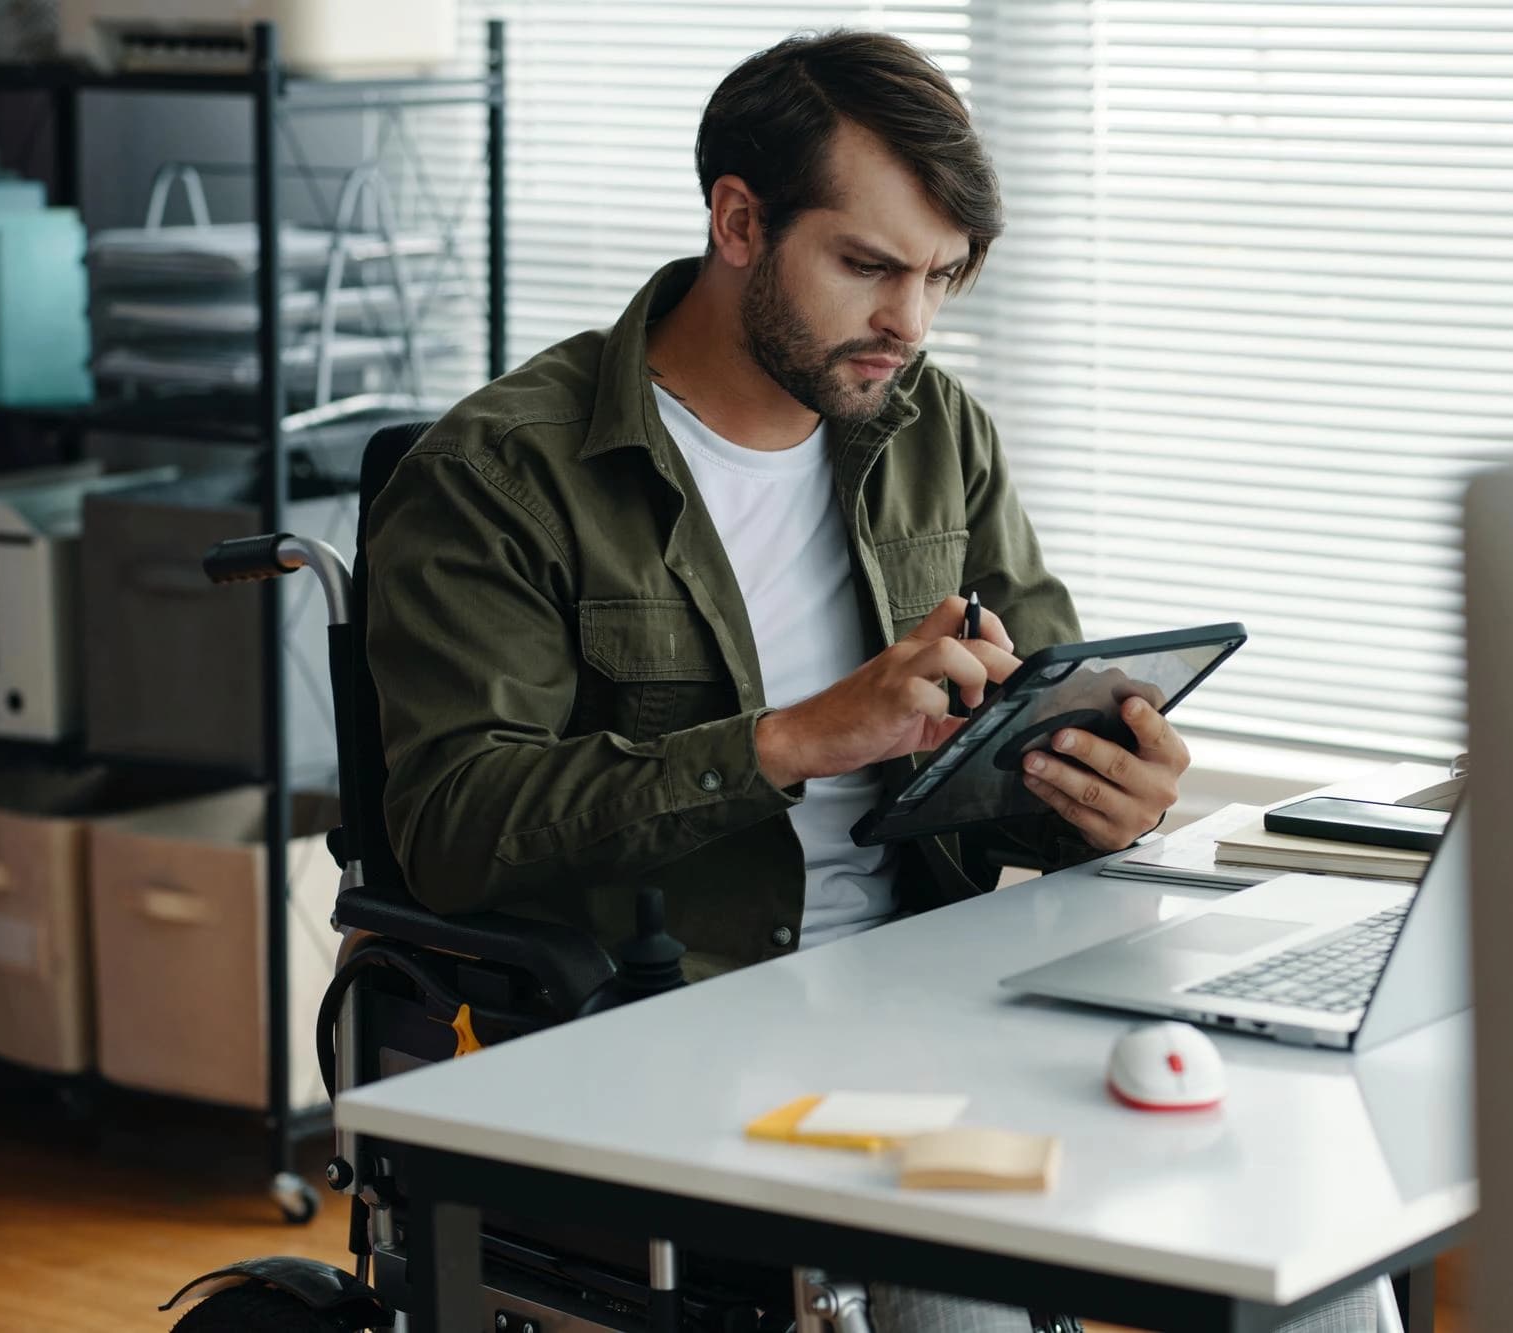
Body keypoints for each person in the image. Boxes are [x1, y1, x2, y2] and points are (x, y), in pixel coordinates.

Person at [365, 29, 1376, 1333]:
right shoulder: (497, 475)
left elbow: (1035, 720)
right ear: (739, 220)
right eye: (869, 266)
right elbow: (451, 830)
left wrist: (1102, 788)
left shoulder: (933, 430)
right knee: (955, 1284)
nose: (912, 321)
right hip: (679, 1029)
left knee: (1303, 1223)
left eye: (943, 277)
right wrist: (788, 741)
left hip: (947, 993)